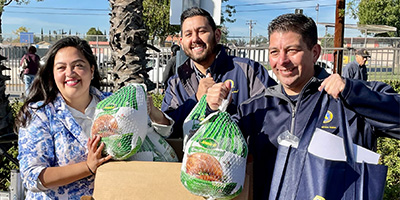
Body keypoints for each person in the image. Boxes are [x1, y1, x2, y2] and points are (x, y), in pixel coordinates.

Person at [207, 13, 400, 199]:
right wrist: (213, 110)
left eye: (292, 50)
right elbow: (209, 154)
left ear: (315, 52)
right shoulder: (254, 109)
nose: (282, 61)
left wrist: (353, 93)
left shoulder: (348, 100)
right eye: (274, 52)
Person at [16, 36, 173, 199]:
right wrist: (88, 167)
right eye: (61, 68)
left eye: (78, 65)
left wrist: (154, 112)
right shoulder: (39, 113)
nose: (70, 73)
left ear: (91, 70)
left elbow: (163, 134)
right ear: (53, 75)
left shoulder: (115, 103)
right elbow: (32, 177)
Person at [161, 7, 277, 138]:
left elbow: (274, 114)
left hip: (243, 157)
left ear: (217, 35)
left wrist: (228, 112)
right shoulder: (176, 83)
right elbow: (168, 130)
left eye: (202, 31)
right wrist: (196, 100)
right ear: (181, 43)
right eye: (188, 34)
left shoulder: (249, 70)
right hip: (194, 158)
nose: (195, 39)